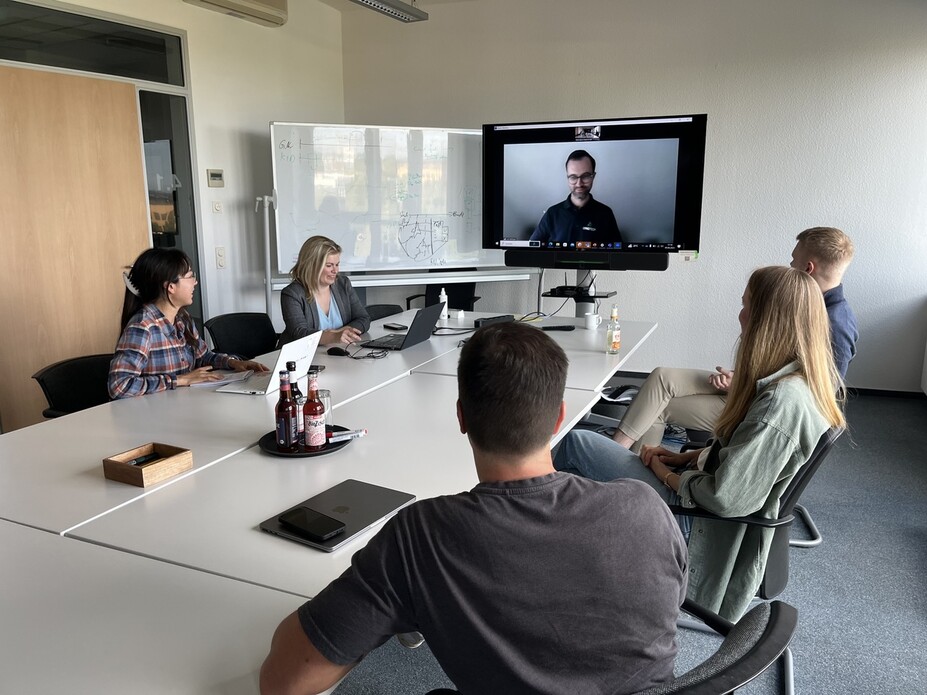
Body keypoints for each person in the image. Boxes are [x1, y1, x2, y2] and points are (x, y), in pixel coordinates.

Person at [260, 322, 688, 695]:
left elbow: (284, 680)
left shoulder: (423, 537)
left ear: (462, 416)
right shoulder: (644, 505)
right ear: (560, 418)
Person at [555, 266, 846, 620]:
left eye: (745, 305)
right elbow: (741, 458)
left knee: (576, 444)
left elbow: (724, 498)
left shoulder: (779, 405)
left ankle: (559, 561)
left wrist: (664, 471)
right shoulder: (800, 380)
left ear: (766, 319)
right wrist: (685, 458)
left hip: (698, 523)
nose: (740, 314)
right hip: (704, 507)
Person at [612, 226, 857, 452]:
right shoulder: (807, 307)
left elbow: (817, 398)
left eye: (793, 262)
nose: (789, 267)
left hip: (760, 405)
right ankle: (618, 453)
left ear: (808, 269)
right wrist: (741, 378)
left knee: (657, 408)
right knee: (662, 377)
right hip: (749, 386)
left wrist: (745, 387)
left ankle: (628, 477)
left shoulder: (834, 323)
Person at [108, 248, 267, 399]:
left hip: (184, 405)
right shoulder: (142, 326)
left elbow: (203, 356)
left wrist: (234, 363)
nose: (195, 282)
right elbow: (119, 386)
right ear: (171, 286)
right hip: (154, 416)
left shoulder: (182, 319)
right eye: (190, 276)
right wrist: (179, 380)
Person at [278, 236, 370, 346]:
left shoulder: (343, 284)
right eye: (329, 265)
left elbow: (363, 318)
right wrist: (334, 336)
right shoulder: (292, 294)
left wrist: (342, 332)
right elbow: (300, 333)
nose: (335, 270)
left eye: (337, 264)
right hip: (300, 357)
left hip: (337, 353)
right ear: (311, 266)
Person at [529, 149, 623, 246]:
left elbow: (617, 253)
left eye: (585, 176)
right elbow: (532, 248)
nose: (579, 183)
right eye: (573, 177)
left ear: (593, 176)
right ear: (567, 178)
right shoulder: (552, 214)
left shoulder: (606, 213)